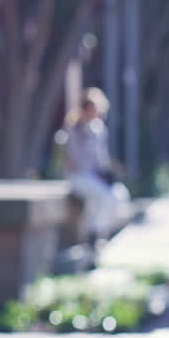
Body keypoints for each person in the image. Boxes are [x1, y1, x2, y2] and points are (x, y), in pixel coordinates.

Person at [59, 88, 129, 245]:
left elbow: (101, 159)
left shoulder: (98, 130)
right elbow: (75, 159)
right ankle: (94, 236)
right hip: (77, 175)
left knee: (120, 195)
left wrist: (110, 171)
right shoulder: (72, 129)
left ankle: (100, 232)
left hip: (94, 176)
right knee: (103, 197)